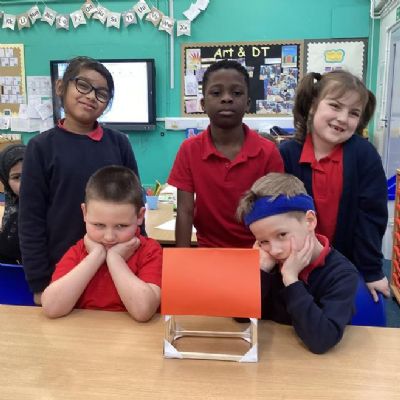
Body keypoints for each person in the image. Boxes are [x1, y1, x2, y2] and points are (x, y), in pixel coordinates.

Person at [19, 56, 141, 306]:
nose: (91, 96)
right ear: (60, 87)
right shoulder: (41, 147)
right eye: (83, 85)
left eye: (101, 93)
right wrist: (40, 283)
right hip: (62, 271)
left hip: (117, 267)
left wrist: (139, 259)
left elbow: (135, 205)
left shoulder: (119, 143)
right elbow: (30, 219)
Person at [279, 70, 390, 302]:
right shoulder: (287, 154)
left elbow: (371, 217)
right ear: (312, 105)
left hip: (346, 267)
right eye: (335, 106)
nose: (342, 118)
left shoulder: (364, 155)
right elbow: (278, 214)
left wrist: (371, 270)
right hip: (294, 265)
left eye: (353, 113)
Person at [236, 172, 359, 354]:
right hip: (275, 357)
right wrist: (261, 271)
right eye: (263, 241)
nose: (275, 250)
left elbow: (322, 341)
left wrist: (291, 280)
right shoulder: (269, 262)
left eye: (282, 235)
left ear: (310, 221)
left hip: (317, 366)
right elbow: (240, 316)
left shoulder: (342, 273)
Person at [168, 59, 284, 248]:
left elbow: (276, 212)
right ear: (203, 104)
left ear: (247, 104)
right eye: (216, 93)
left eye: (236, 93)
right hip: (208, 250)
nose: (227, 98)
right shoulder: (189, 150)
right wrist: (183, 258)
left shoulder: (268, 152)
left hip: (258, 251)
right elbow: (184, 211)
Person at [41, 166, 161, 321]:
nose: (109, 237)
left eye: (121, 226)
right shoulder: (78, 251)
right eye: (99, 225)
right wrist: (96, 256)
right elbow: (51, 308)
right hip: (82, 333)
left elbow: (143, 311)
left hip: (131, 335)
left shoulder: (150, 251)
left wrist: (115, 259)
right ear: (85, 213)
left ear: (140, 216)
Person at [0, 143, 25, 264]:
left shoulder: (56, 208)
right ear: (6, 181)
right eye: (17, 177)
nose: (25, 183)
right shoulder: (13, 214)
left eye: (30, 173)